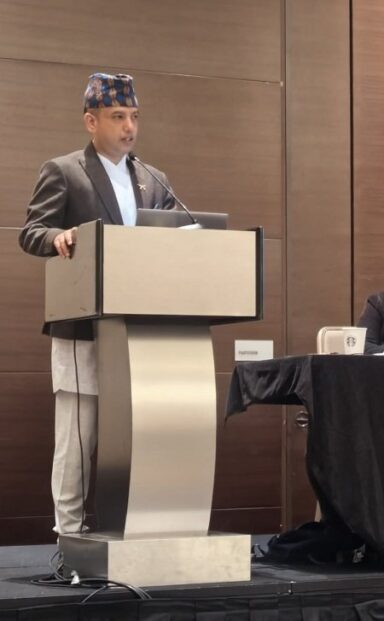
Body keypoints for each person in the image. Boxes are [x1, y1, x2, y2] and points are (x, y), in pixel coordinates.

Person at [18, 73, 176, 535]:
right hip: (82, 325)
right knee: (78, 440)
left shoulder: (154, 179)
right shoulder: (64, 170)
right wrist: (58, 236)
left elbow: (170, 244)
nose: (129, 127)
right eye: (117, 117)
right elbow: (32, 232)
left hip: (138, 329)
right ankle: (69, 536)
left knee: (131, 438)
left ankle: (127, 531)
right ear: (91, 121)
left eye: (134, 117)